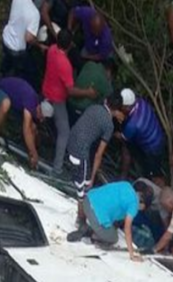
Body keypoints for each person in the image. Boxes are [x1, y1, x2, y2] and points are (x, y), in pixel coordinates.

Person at [42, 29, 97, 174]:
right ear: (70, 45)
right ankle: (57, 168)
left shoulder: (52, 50)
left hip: (46, 91)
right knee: (64, 132)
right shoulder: (65, 64)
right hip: (57, 100)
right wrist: (88, 92)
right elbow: (71, 90)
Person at [65, 93, 122, 218]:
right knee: (84, 189)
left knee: (79, 181)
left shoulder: (93, 107)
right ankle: (81, 219)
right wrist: (92, 176)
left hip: (70, 142)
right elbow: (98, 154)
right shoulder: (109, 125)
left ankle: (81, 213)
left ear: (106, 100)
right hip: (81, 151)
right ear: (117, 110)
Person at [67, 182, 146, 262]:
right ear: (142, 202)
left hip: (87, 200)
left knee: (108, 221)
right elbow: (127, 230)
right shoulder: (134, 205)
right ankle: (90, 234)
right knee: (114, 238)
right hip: (95, 215)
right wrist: (132, 255)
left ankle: (82, 222)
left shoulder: (126, 185)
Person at [0, 77, 54, 169]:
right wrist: (34, 152)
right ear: (39, 109)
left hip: (12, 98)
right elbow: (26, 129)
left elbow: (32, 128)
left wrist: (33, 151)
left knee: (34, 127)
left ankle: (31, 157)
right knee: (6, 103)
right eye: (41, 117)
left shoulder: (36, 103)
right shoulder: (30, 100)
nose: (41, 120)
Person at [118, 88, 167, 183]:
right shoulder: (141, 102)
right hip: (157, 136)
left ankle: (123, 177)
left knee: (154, 173)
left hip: (152, 148)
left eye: (121, 106)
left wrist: (114, 134)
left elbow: (123, 137)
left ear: (127, 107)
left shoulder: (132, 125)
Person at [0, 0, 42, 80]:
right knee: (27, 70)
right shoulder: (35, 14)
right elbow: (28, 38)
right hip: (16, 49)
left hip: (6, 38)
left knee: (6, 61)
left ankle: (0, 75)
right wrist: (38, 44)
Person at [68, 59, 117, 124]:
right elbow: (109, 96)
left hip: (69, 100)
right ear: (109, 71)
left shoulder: (89, 64)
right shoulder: (105, 82)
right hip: (80, 110)